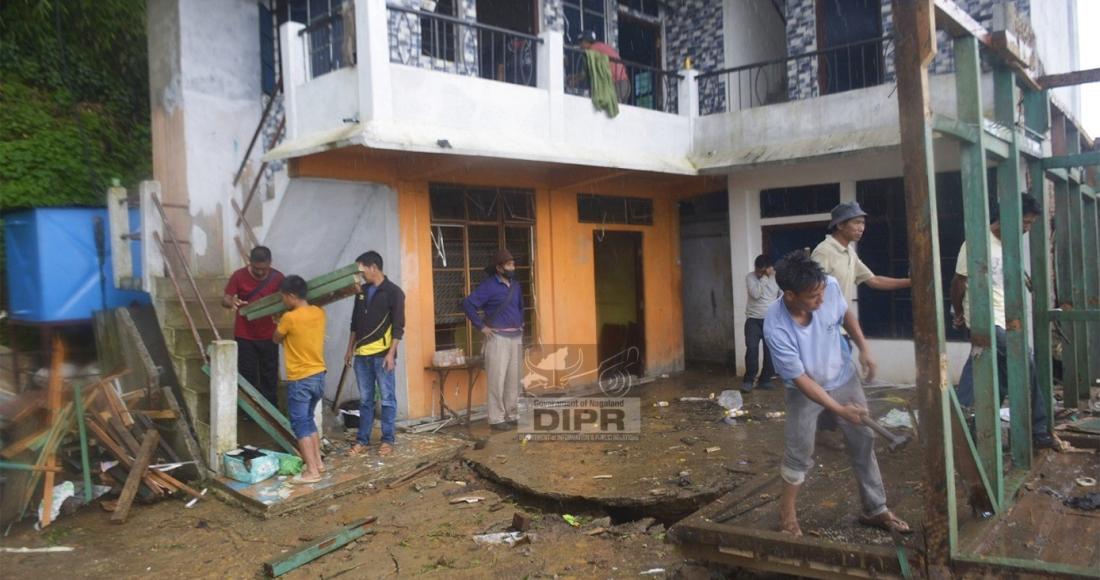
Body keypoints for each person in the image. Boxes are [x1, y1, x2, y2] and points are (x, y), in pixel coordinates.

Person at [764, 250, 910, 536]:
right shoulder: (776, 326)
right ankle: (787, 515)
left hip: (844, 377)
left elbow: (845, 314)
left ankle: (875, 509)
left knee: (863, 440)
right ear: (791, 296)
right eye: (812, 297)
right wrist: (839, 410)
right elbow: (801, 379)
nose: (821, 299)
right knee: (799, 452)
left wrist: (865, 348)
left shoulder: (827, 286)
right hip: (804, 390)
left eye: (822, 292)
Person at [950, 194, 1055, 449]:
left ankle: (968, 425)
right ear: (1007, 217)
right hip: (983, 319)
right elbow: (958, 282)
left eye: (1030, 225)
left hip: (1005, 318)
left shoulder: (1008, 244)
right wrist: (959, 314)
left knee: (990, 371)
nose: (1027, 229)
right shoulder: (976, 242)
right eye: (1026, 223)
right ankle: (1038, 429)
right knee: (1023, 358)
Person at [811, 202, 910, 444]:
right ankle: (847, 432)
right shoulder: (824, 251)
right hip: (824, 330)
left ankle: (827, 429)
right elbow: (813, 291)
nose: (861, 227)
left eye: (863, 222)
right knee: (841, 381)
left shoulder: (849, 253)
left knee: (833, 382)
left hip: (840, 328)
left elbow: (873, 280)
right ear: (840, 225)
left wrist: (910, 282)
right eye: (856, 222)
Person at [345, 251, 405, 457]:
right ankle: (362, 439)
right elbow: (354, 323)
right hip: (361, 355)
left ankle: (388, 440)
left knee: (387, 398)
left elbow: (398, 327)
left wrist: (391, 354)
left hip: (382, 355)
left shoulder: (394, 292)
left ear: (373, 267)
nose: (360, 275)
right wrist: (349, 349)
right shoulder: (362, 291)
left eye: (361, 270)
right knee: (365, 400)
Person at [273, 275, 326, 484]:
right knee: (309, 419)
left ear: (291, 296)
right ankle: (318, 464)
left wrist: (277, 321)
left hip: (300, 378)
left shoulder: (289, 318)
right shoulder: (319, 313)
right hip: (319, 375)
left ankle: (311, 471)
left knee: (300, 424)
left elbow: (275, 338)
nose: (282, 301)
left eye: (283, 297)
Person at [463, 249, 524, 431]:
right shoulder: (489, 286)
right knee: (497, 380)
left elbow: (521, 308)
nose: (512, 267)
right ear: (499, 268)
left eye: (513, 264)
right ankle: (496, 419)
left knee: (514, 379)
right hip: (497, 338)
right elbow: (468, 304)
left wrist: (521, 326)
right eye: (509, 264)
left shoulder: (516, 286)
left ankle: (512, 415)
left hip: (516, 337)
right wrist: (481, 327)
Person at [222, 246, 284, 406]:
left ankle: (271, 408)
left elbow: (286, 301)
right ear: (250, 262)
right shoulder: (238, 276)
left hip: (270, 334)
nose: (261, 273)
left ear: (270, 263)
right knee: (247, 374)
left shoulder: (278, 278)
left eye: (264, 269)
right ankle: (248, 410)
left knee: (269, 374)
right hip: (244, 335)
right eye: (256, 269)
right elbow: (226, 298)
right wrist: (232, 302)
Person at [742, 254, 780, 392]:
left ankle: (765, 379)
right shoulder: (750, 277)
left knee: (769, 351)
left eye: (762, 271)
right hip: (753, 320)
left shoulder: (777, 278)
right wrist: (764, 277)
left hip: (770, 320)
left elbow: (781, 297)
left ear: (770, 268)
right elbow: (756, 294)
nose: (758, 273)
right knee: (751, 349)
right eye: (757, 270)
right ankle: (748, 380)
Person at [577, 30, 630, 102]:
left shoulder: (592, 50)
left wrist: (574, 80)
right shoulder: (601, 46)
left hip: (617, 85)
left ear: (586, 41)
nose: (580, 46)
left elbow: (586, 73)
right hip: (624, 85)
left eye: (581, 42)